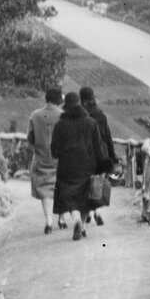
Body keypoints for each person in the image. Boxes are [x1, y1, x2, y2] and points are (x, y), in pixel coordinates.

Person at [50, 92, 106, 240]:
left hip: (67, 169)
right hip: (88, 166)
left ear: (65, 107)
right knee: (86, 198)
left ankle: (76, 221)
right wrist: (102, 166)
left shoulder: (60, 125)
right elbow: (98, 149)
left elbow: (54, 152)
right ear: (80, 104)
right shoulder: (91, 123)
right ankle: (83, 226)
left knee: (70, 197)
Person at [27, 86, 64, 234]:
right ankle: (61, 219)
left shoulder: (35, 115)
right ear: (59, 101)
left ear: (46, 99)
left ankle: (49, 222)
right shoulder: (64, 115)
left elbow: (30, 137)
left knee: (45, 190)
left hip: (41, 158)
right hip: (60, 159)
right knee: (61, 187)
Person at [79, 85, 117, 227]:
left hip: (86, 153)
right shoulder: (100, 114)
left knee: (86, 183)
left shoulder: (82, 115)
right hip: (102, 152)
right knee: (98, 183)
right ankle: (96, 213)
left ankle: (88, 212)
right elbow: (108, 136)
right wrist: (112, 157)